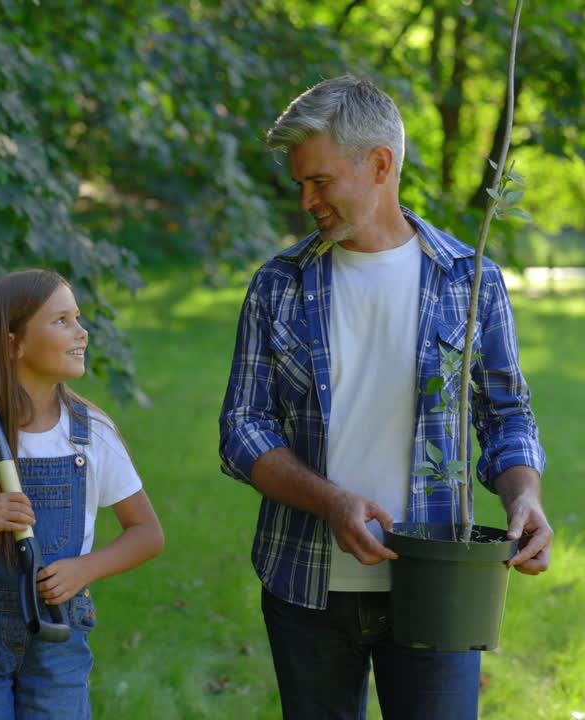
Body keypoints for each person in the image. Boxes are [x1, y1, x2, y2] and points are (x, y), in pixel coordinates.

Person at [218, 74, 554, 719]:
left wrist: (525, 497)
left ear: (380, 165)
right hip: (306, 582)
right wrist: (333, 502)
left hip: (441, 577)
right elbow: (242, 428)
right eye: (300, 185)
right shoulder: (277, 286)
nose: (306, 200)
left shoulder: (469, 278)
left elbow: (506, 414)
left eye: (320, 181)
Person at [0, 269, 164, 719]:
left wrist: (84, 569)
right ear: (12, 343)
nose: (81, 332)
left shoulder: (90, 433)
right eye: (61, 320)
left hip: (58, 632)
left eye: (77, 318)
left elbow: (147, 534)